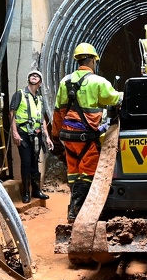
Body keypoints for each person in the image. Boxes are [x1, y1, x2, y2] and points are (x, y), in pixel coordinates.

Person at [52, 42, 123, 222]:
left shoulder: (64, 82)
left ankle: (73, 207)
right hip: (87, 138)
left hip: (68, 137)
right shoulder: (98, 82)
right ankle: (78, 212)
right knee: (88, 174)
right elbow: (115, 98)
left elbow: (58, 111)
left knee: (73, 172)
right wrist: (128, 92)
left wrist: (56, 135)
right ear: (93, 60)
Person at [9, 69, 53, 203]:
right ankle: (26, 193)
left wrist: (47, 137)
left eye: (37, 76)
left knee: (35, 162)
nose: (34, 77)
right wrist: (15, 133)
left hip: (36, 135)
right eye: (32, 75)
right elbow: (12, 114)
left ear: (40, 82)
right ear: (29, 79)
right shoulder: (19, 94)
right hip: (23, 134)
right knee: (26, 163)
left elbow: (42, 120)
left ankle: (36, 191)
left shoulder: (39, 99)